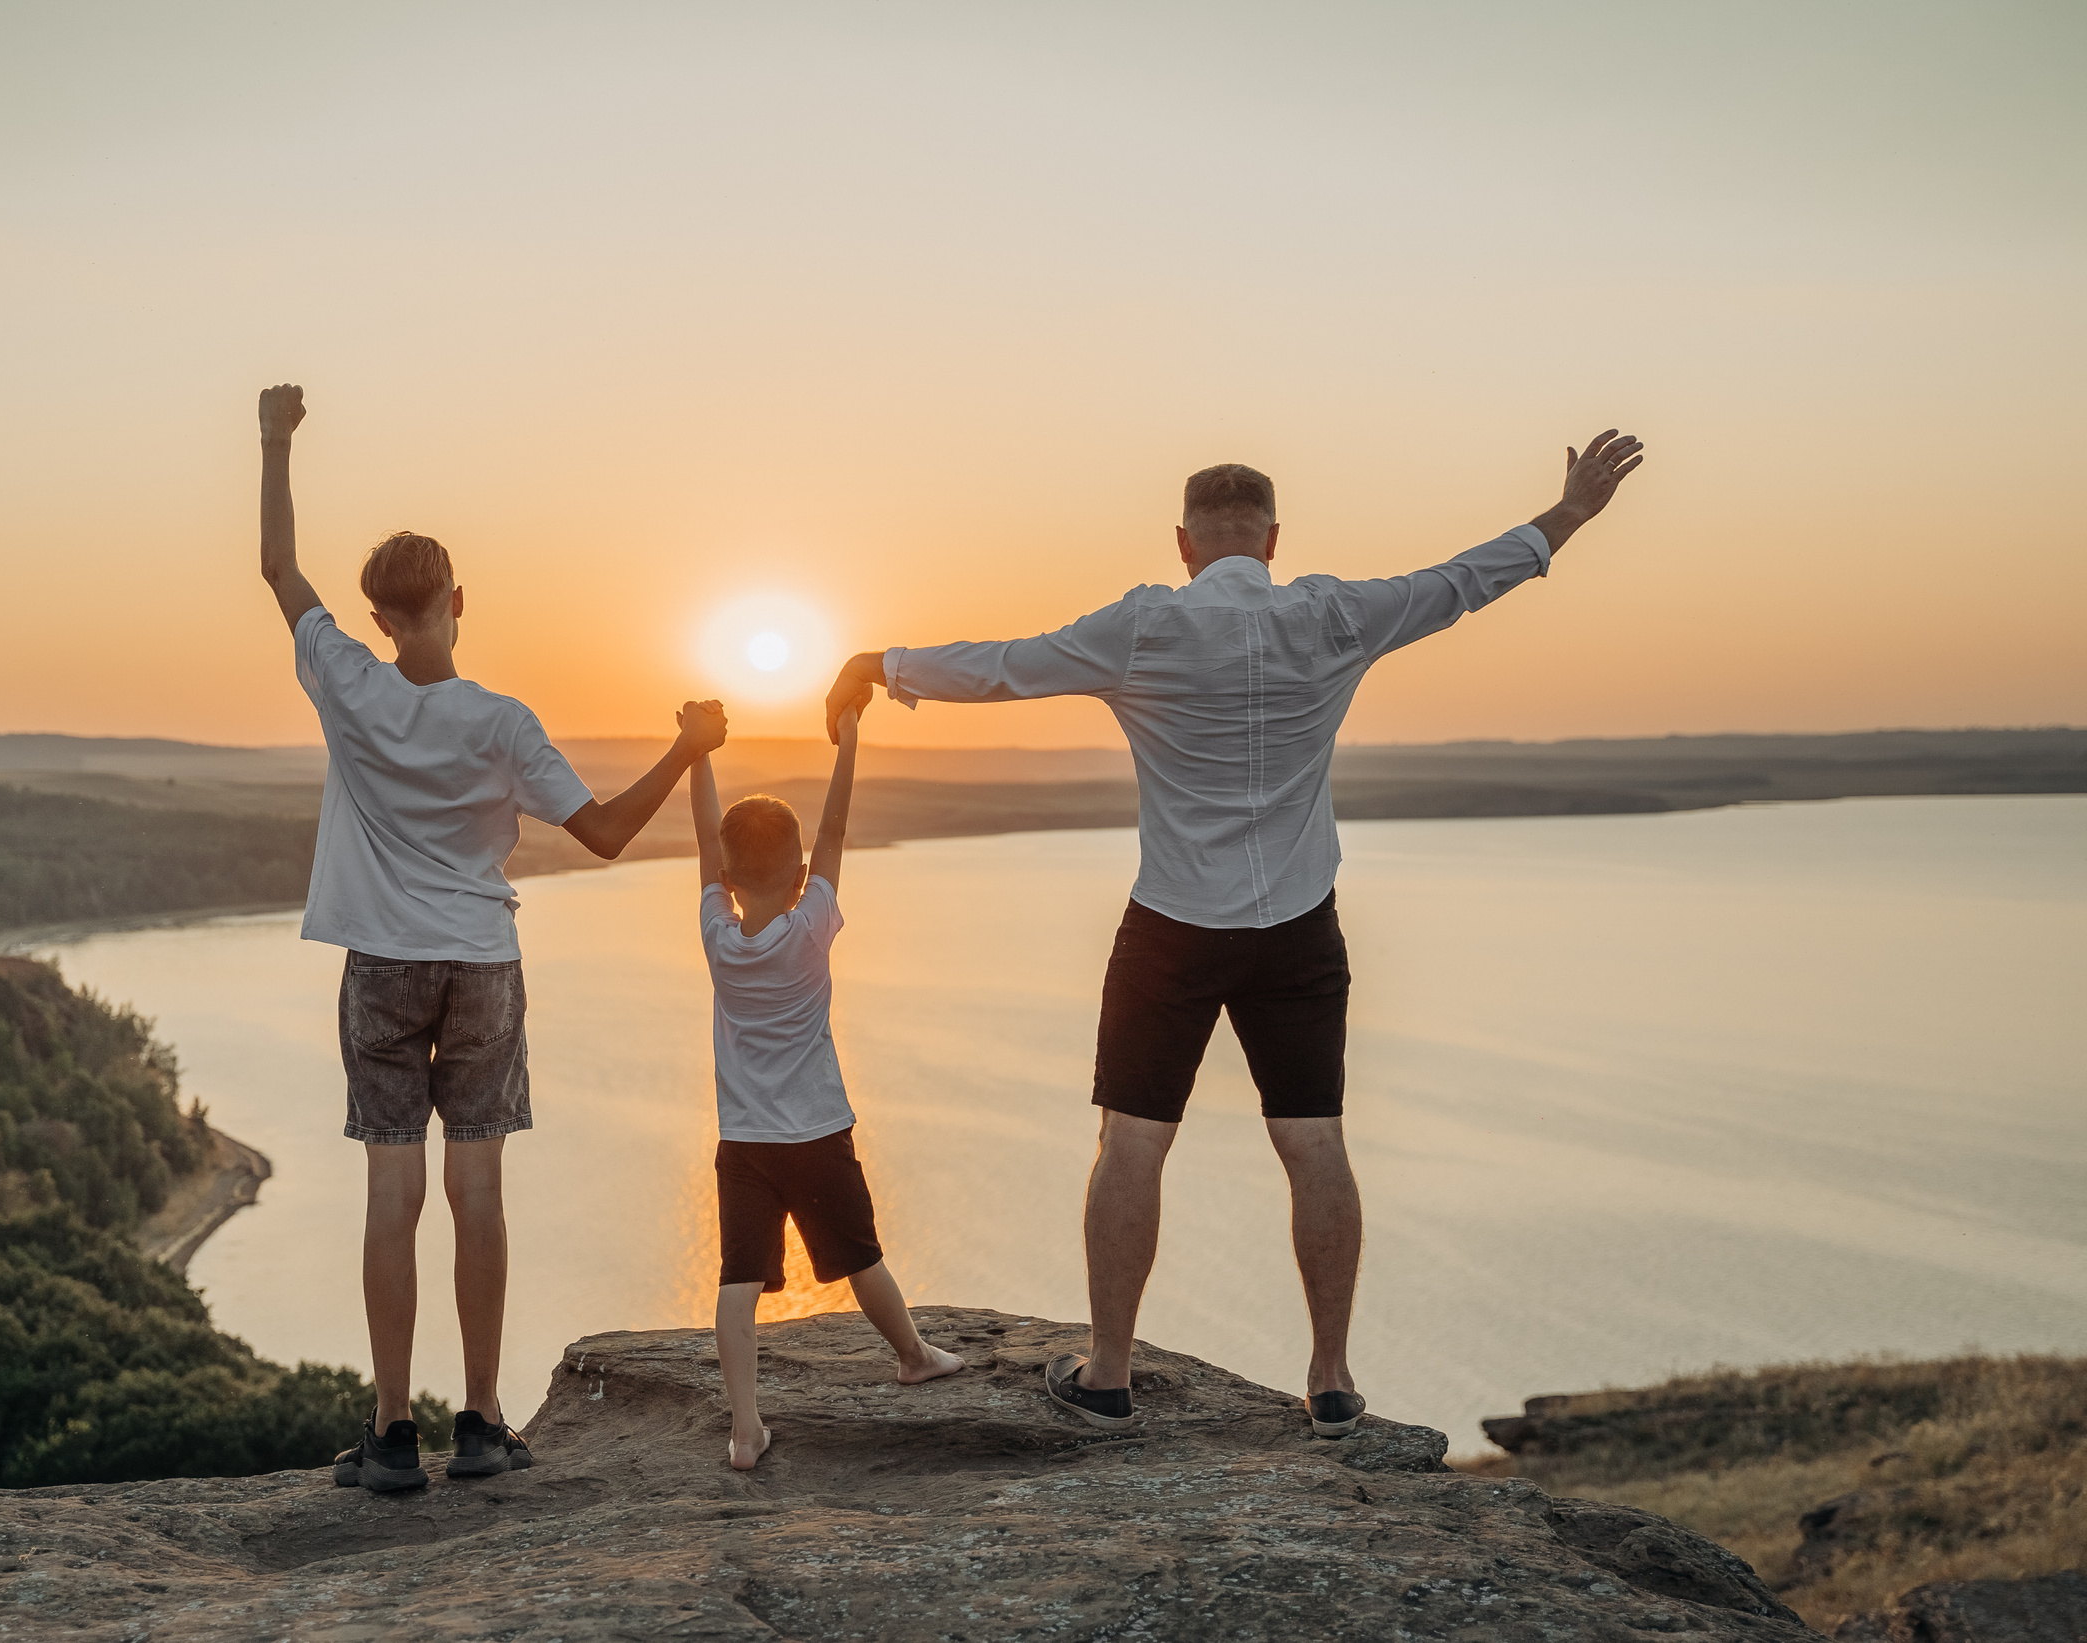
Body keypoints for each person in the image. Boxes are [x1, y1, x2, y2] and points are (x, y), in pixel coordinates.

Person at [821, 431, 1647, 1438]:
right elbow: (1459, 582)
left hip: (1172, 924)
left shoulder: (1142, 628)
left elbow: (1001, 669)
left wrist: (882, 663)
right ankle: (1333, 1380)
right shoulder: (1332, 615)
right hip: (1297, 926)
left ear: (1184, 543)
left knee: (1131, 1142)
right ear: (1272, 539)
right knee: (1313, 1143)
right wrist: (1567, 515)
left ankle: (1109, 1374)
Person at [253, 383, 729, 1493]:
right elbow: (607, 836)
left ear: (378, 616)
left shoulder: (347, 683)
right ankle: (479, 1420)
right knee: (479, 1193)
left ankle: (387, 1436)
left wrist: (274, 441)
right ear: (459, 600)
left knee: (391, 1195)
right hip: (480, 964)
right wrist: (689, 748)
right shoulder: (503, 723)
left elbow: (278, 571)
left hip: (382, 963)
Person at [691, 702, 965, 1470]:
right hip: (817, 1132)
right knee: (860, 1258)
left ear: (727, 877)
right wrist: (848, 741)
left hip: (744, 1140)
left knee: (738, 1279)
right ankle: (912, 1354)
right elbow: (836, 830)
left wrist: (697, 753)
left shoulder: (718, 935)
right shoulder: (812, 926)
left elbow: (705, 843)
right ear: (801, 875)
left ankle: (745, 1425)